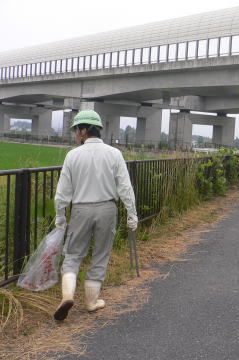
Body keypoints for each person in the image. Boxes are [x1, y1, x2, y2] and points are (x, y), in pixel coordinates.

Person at [53, 110, 138, 321]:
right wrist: (131, 214)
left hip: (81, 209)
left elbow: (62, 193)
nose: (75, 135)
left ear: (83, 130)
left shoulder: (73, 155)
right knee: (101, 254)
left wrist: (60, 215)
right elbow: (125, 187)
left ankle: (67, 296)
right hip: (107, 209)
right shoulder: (114, 153)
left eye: (76, 130)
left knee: (73, 254)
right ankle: (92, 302)